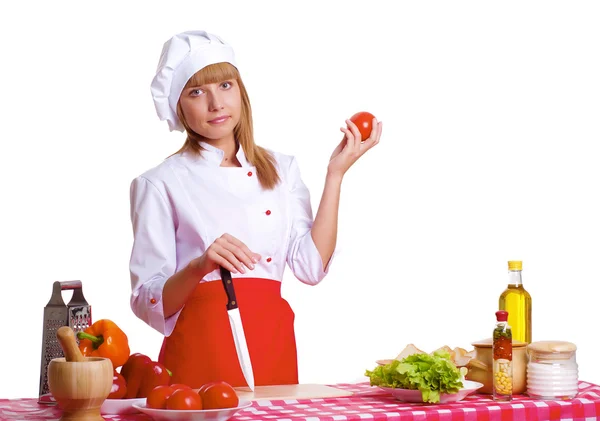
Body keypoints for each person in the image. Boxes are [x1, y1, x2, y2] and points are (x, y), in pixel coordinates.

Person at [128, 30, 382, 388]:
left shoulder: (281, 169)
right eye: (196, 92)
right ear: (178, 106)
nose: (216, 103)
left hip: (272, 342)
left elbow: (310, 267)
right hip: (201, 350)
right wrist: (200, 265)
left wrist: (335, 174)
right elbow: (146, 300)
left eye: (225, 86)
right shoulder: (160, 183)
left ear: (241, 91)